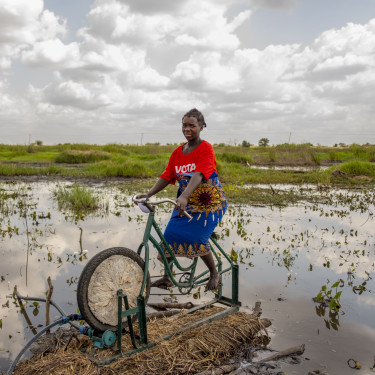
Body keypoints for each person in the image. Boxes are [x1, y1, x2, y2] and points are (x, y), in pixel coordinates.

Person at [137, 108, 227, 290]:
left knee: (197, 238)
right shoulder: (178, 152)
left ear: (201, 127)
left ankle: (214, 273)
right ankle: (167, 277)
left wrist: (185, 195)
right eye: (184, 125)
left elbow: (200, 173)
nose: (188, 129)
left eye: (192, 125)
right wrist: (149, 194)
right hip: (184, 202)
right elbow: (166, 175)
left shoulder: (205, 148)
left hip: (208, 202)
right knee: (169, 236)